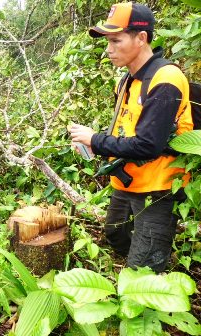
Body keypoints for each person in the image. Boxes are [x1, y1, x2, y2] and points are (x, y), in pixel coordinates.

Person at [69, 2, 193, 273]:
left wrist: (96, 140)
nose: (109, 49)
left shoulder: (166, 78)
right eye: (107, 41)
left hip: (158, 187)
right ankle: (150, 256)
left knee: (142, 273)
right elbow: (125, 130)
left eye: (116, 40)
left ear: (141, 38)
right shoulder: (126, 80)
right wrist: (91, 143)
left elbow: (149, 144)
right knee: (115, 234)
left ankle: (150, 271)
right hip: (127, 180)